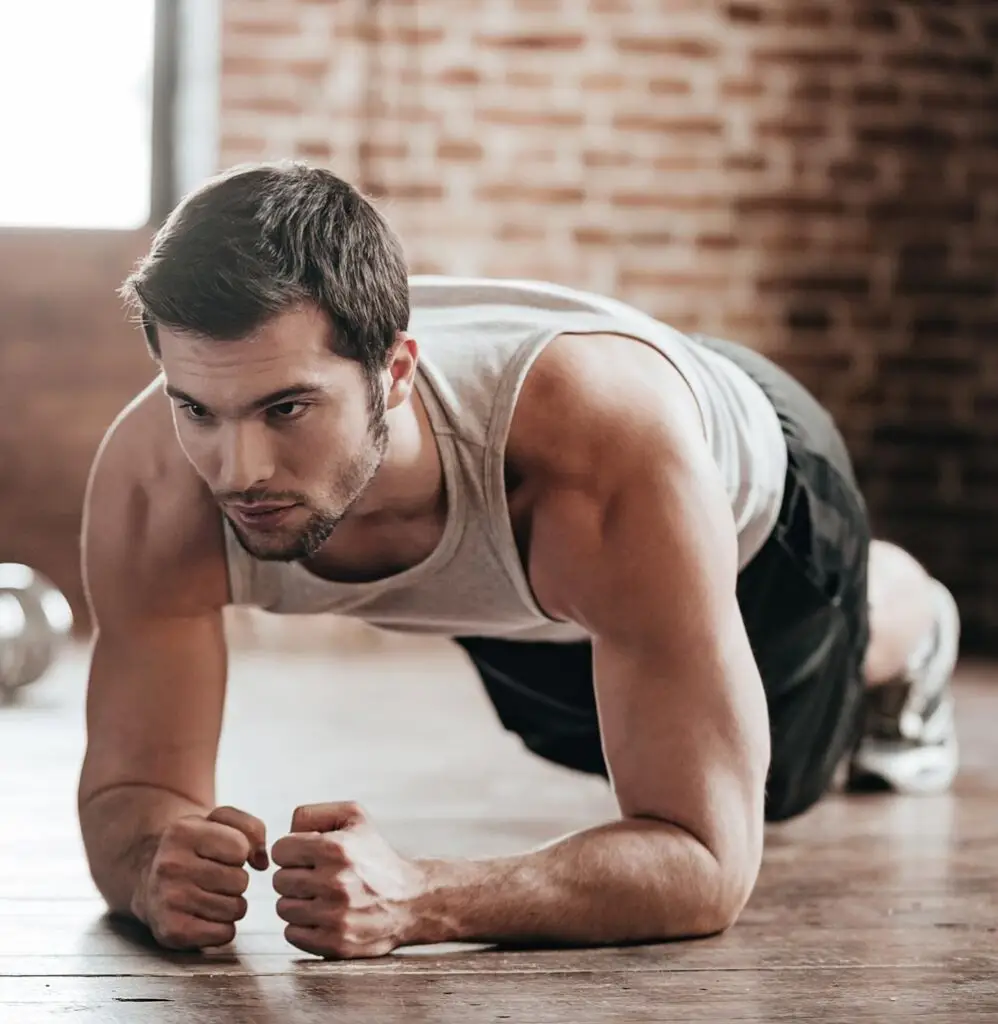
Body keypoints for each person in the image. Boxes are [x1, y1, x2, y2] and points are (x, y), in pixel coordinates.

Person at [78, 161, 960, 960]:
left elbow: (704, 862)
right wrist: (156, 862)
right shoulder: (154, 485)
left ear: (394, 376)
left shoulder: (598, 459)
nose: (238, 474)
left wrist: (422, 897)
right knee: (575, 735)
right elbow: (132, 789)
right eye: (198, 410)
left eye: (287, 410)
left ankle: (912, 620)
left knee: (784, 780)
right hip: (526, 585)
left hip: (756, 499)